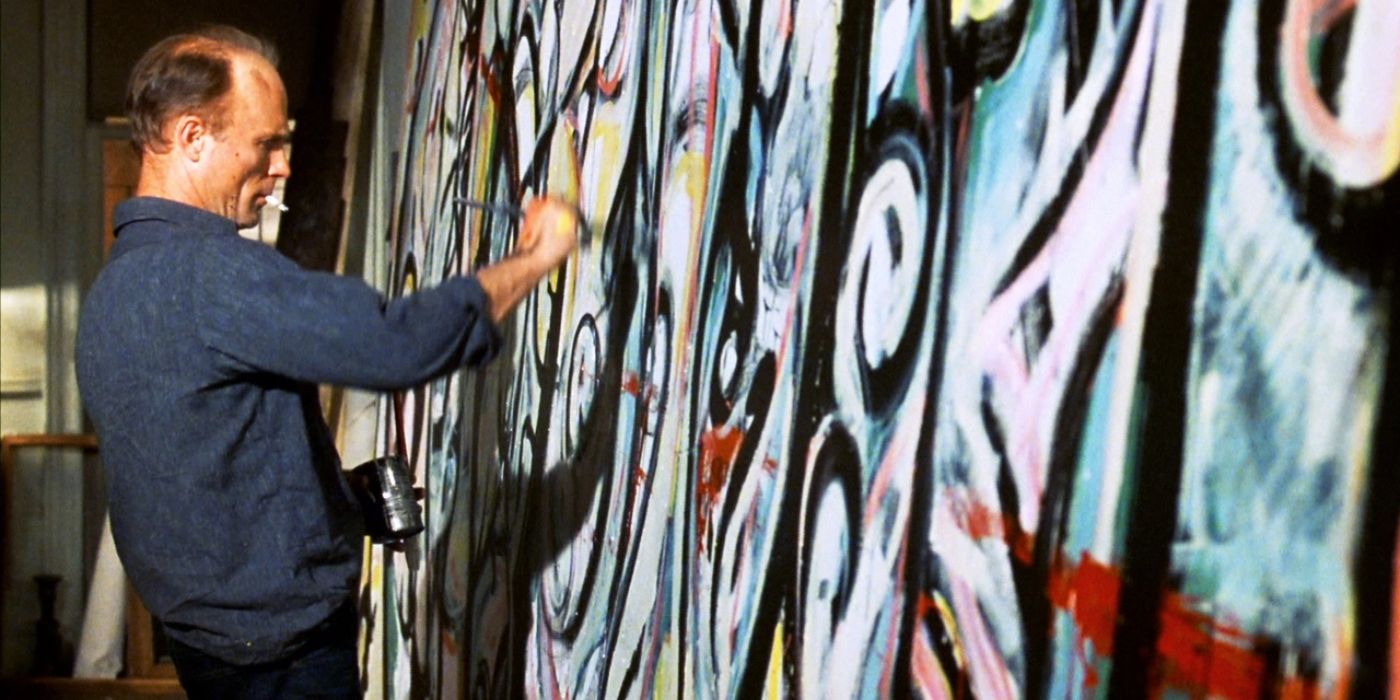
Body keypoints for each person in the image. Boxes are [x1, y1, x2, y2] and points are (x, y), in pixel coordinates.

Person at [74, 25, 576, 698]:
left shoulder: (118, 284)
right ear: (192, 137)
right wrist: (535, 258)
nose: (282, 165)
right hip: (282, 663)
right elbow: (397, 344)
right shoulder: (213, 276)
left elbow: (205, 462)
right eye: (267, 143)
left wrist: (336, 503)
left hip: (213, 648)